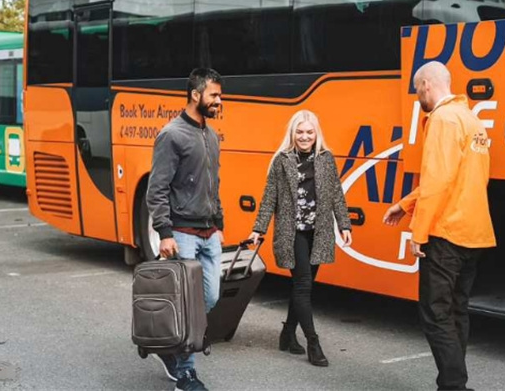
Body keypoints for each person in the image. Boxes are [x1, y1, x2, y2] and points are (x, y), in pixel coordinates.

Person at [382, 61, 496, 391]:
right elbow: (465, 179)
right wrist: (405, 205)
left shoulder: (443, 120)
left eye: (418, 89)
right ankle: (453, 383)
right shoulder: (473, 120)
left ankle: (454, 386)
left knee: (435, 314)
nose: (418, 95)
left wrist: (418, 232)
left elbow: (438, 180)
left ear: (427, 85)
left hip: (447, 234)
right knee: (457, 311)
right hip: (474, 233)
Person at [248, 109, 353, 367]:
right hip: (291, 232)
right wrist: (258, 228)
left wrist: (344, 224)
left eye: (309, 131)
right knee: (304, 285)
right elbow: (269, 196)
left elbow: (337, 194)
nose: (304, 137)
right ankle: (313, 343)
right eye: (300, 131)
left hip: (317, 232)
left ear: (316, 133)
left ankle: (286, 334)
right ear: (292, 133)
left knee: (301, 287)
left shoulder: (326, 159)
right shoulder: (281, 160)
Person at [146, 68, 225, 391]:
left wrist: (218, 223)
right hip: (182, 233)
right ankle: (185, 374)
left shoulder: (210, 134)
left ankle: (170, 345)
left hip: (209, 232)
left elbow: (213, 184)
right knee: (190, 304)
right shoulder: (172, 135)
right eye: (214, 95)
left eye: (219, 95)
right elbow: (157, 188)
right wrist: (164, 232)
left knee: (211, 297)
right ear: (196, 95)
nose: (219, 100)